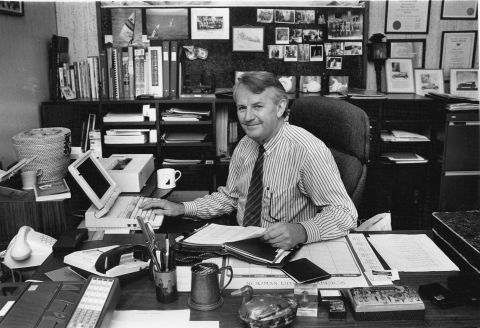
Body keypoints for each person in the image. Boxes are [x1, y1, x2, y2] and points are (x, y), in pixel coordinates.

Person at [140, 71, 357, 250]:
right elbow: (230, 198)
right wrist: (181, 208)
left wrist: (301, 231)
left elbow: (344, 213)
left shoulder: (306, 149)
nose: (247, 117)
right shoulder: (246, 145)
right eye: (242, 108)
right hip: (242, 243)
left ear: (280, 108)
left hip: (288, 250)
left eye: (258, 106)